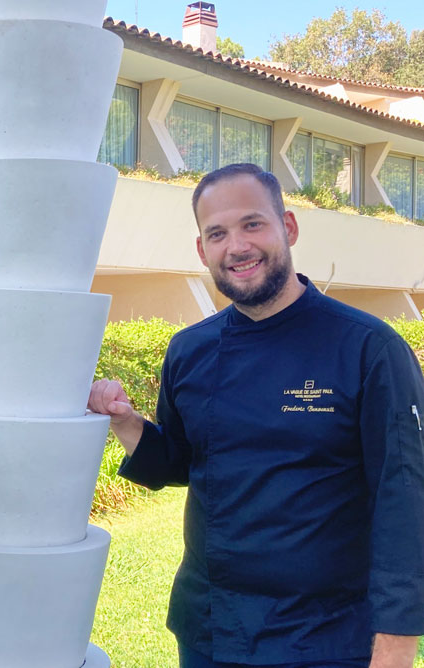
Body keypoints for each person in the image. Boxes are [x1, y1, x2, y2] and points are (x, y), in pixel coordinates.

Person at [89, 163, 424, 667]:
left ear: (287, 228)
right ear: (202, 250)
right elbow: (179, 465)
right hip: (211, 631)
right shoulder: (190, 350)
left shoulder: (368, 348)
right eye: (217, 233)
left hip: (325, 639)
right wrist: (126, 423)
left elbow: (405, 500)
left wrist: (396, 647)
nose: (237, 246)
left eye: (252, 224)